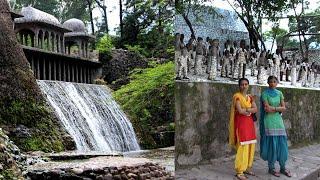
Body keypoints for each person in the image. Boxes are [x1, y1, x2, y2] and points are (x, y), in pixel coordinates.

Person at [260, 76, 291, 178]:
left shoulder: (280, 93)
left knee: (282, 143)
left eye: (274, 82)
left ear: (277, 83)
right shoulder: (264, 94)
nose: (272, 83)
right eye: (270, 82)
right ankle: (271, 167)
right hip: (269, 121)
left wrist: (273, 108)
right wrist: (278, 109)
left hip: (278, 121)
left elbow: (284, 108)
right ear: (268, 83)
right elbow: (266, 109)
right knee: (272, 144)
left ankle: (283, 167)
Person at [229, 78, 258, 180]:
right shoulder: (237, 97)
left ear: (248, 85)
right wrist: (249, 110)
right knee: (243, 146)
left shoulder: (250, 97)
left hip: (249, 124)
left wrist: (247, 110)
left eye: (246, 84)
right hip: (241, 124)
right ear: (239, 86)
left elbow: (256, 109)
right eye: (242, 84)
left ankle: (247, 168)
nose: (244, 86)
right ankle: (240, 171)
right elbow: (240, 111)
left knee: (250, 145)